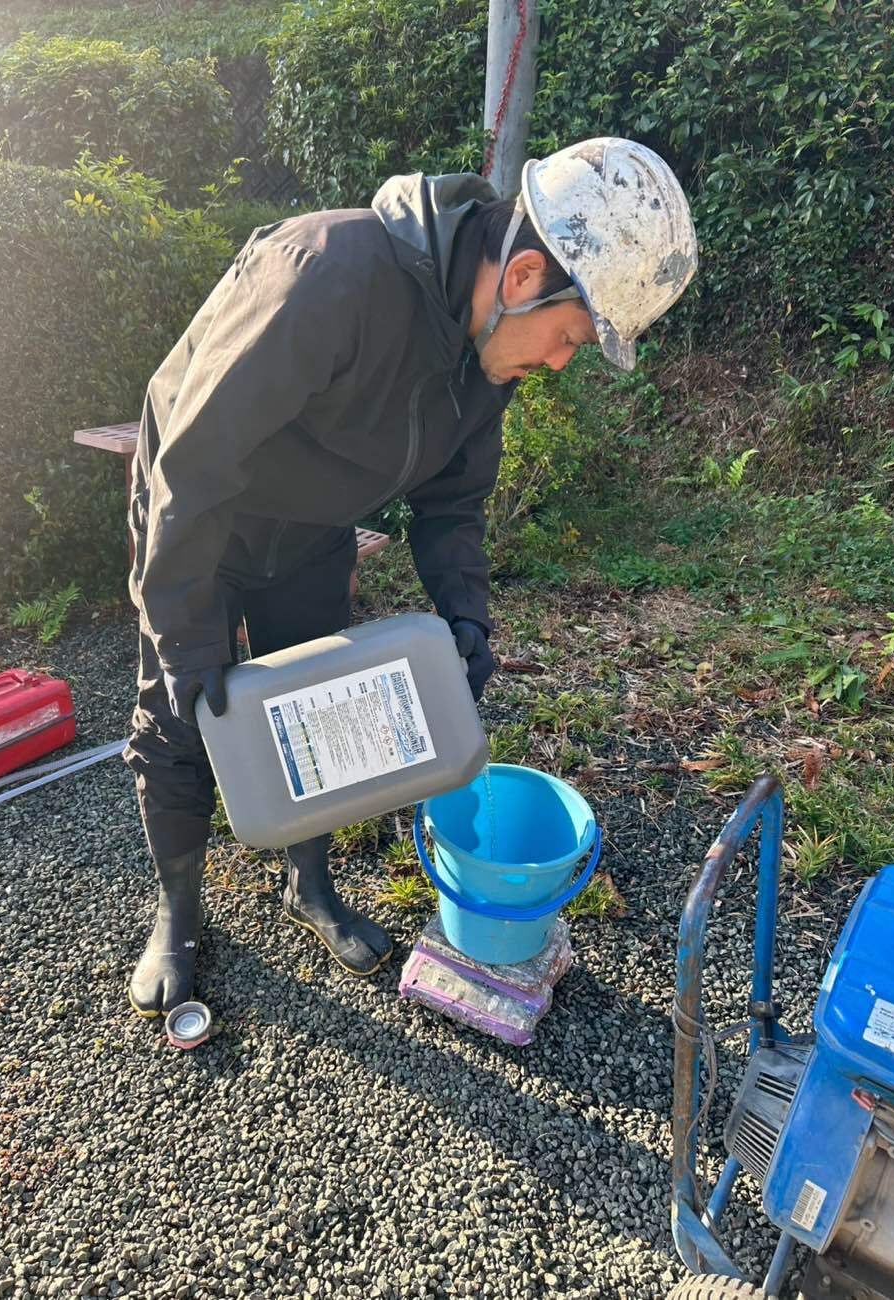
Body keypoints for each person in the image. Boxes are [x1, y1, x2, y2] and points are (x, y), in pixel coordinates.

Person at [123, 136, 698, 1016]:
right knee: (178, 714)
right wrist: (189, 639)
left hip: (314, 525)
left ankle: (308, 887)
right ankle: (178, 915)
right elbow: (195, 467)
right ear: (522, 277)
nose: (557, 363)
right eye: (570, 337)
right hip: (198, 513)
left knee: (311, 714)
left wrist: (464, 616)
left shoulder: (483, 358)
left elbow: (451, 504)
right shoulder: (322, 273)